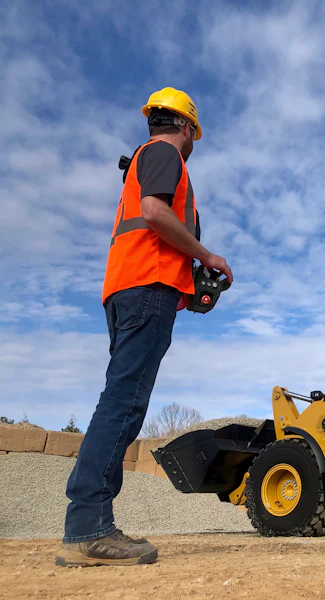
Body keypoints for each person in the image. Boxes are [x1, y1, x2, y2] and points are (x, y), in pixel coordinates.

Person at [56, 87, 233, 567]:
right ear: (185, 127)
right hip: (144, 291)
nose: (192, 140)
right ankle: (87, 527)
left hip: (130, 290)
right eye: (193, 133)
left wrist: (187, 284)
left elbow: (150, 229)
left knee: (120, 400)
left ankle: (87, 522)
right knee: (124, 403)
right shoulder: (164, 154)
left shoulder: (143, 158)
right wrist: (207, 255)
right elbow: (155, 214)